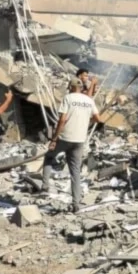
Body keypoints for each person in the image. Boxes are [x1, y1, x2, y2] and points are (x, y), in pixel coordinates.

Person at [44, 78, 106, 212]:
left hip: (65, 137)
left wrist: (54, 139)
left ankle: (44, 186)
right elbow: (97, 119)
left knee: (49, 157)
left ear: (70, 87)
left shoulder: (68, 98)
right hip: (79, 140)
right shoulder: (89, 100)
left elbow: (62, 120)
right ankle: (76, 203)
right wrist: (85, 120)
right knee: (75, 172)